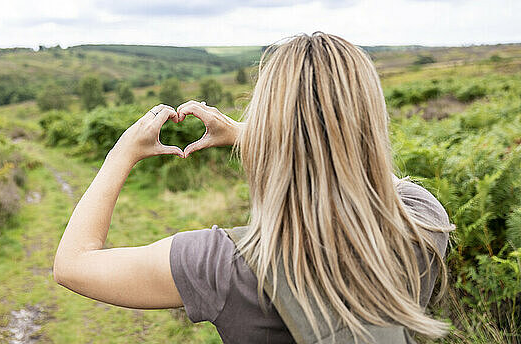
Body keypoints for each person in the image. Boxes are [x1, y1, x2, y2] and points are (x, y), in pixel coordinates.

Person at [53, 32, 454, 343]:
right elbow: (369, 173)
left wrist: (121, 153)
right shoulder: (423, 223)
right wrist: (263, 134)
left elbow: (72, 265)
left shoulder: (223, 267)